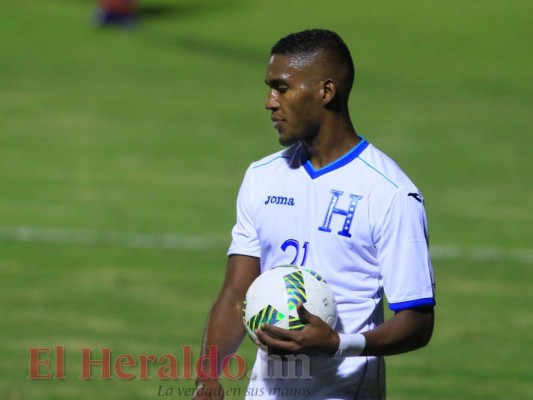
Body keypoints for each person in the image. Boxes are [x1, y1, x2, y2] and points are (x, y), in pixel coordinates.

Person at [193, 29, 435, 400]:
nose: (269, 102)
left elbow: (417, 323)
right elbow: (235, 293)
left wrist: (338, 343)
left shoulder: (389, 193)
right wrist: (208, 378)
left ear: (326, 91)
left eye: (282, 88)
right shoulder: (262, 176)